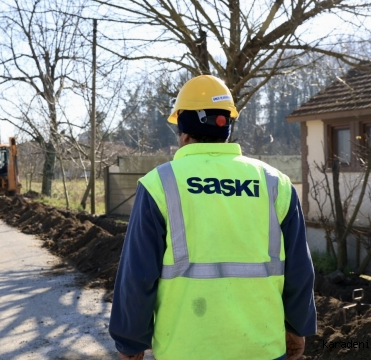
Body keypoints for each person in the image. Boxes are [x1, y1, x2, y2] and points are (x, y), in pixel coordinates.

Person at [108, 75, 316, 360]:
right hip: (263, 348)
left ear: (183, 130)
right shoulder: (275, 183)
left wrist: (130, 342)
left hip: (185, 350)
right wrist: (297, 327)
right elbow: (299, 269)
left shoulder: (160, 184)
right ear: (227, 128)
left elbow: (137, 275)